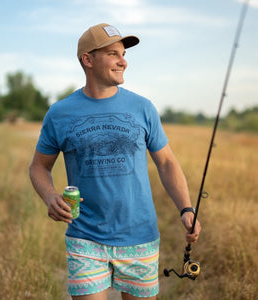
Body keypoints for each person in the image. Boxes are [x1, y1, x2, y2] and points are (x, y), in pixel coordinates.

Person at [29, 23, 201, 300]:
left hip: (140, 237)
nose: (123, 61)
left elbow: (167, 163)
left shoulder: (143, 108)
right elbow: (39, 166)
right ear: (88, 60)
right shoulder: (59, 113)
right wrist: (49, 196)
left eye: (123, 54)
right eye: (113, 54)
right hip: (85, 238)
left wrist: (186, 208)